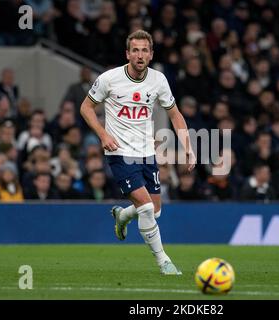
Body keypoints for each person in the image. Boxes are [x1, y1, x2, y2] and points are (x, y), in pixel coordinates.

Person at [80, 30, 196, 275]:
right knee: (145, 209)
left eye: (144, 50)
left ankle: (122, 216)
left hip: (146, 153)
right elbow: (86, 108)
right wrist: (103, 134)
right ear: (127, 53)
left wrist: (188, 147)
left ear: (151, 54)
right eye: (135, 50)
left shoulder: (158, 80)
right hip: (119, 152)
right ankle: (164, 261)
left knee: (155, 210)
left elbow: (174, 114)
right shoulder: (109, 79)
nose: (140, 55)